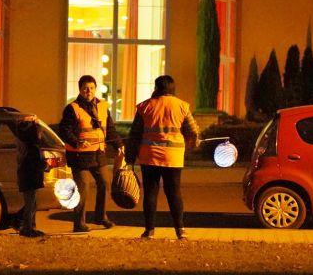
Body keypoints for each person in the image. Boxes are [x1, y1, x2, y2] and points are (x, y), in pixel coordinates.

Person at [126, 74, 200, 240]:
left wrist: (130, 157)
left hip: (149, 156)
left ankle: (149, 230)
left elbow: (134, 134)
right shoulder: (182, 106)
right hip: (173, 157)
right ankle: (180, 229)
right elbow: (193, 131)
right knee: (174, 192)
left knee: (150, 193)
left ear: (156, 88)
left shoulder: (145, 106)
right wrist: (193, 144)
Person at [59, 74, 123, 233]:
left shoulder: (102, 106)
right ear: (80, 90)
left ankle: (101, 217)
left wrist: (119, 145)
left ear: (96, 88)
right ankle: (79, 223)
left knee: (105, 183)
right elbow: (64, 130)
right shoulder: (72, 108)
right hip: (79, 156)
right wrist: (77, 142)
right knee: (83, 188)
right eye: (85, 88)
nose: (89, 91)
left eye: (92, 88)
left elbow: (110, 128)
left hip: (98, 154)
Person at [14, 116, 49, 237]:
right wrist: (46, 165)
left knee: (31, 203)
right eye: (39, 132)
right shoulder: (33, 146)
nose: (40, 135)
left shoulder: (23, 141)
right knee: (31, 204)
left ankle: (29, 226)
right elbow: (36, 162)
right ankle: (27, 228)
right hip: (30, 177)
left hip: (26, 176)